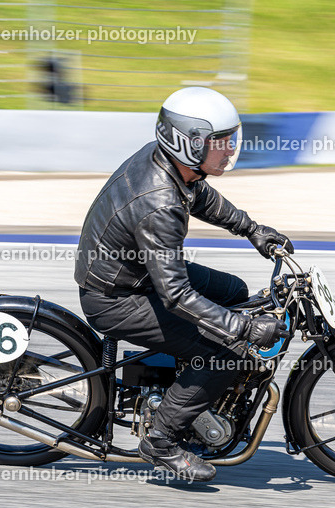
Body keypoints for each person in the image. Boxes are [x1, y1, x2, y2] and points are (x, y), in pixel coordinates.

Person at [74, 86, 293, 482]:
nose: (230, 149)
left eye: (231, 139)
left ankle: (189, 391)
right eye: (221, 142)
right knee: (226, 354)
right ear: (189, 143)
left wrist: (251, 229)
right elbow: (176, 295)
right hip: (116, 298)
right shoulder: (159, 203)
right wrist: (243, 329)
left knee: (234, 291)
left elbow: (201, 197)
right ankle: (161, 439)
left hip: (137, 274)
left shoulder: (170, 164)